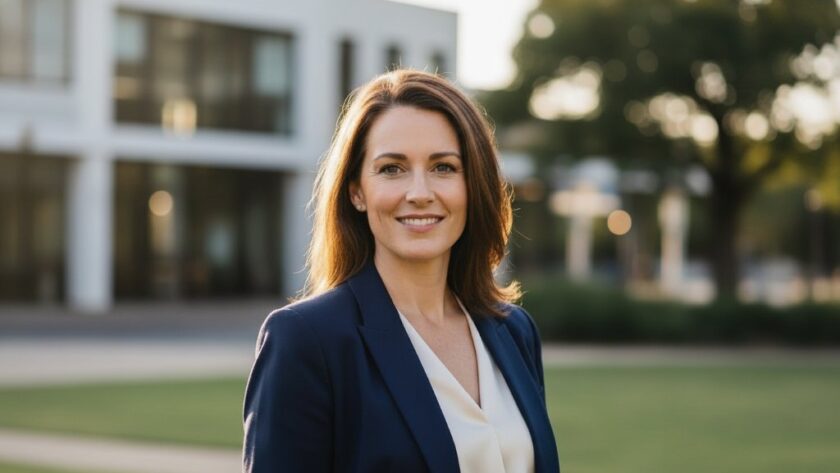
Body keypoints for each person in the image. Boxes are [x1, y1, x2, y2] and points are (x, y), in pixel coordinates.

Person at [243, 69, 560, 473]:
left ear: (472, 184)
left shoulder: (514, 331)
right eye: (392, 169)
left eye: (444, 167)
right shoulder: (307, 340)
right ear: (357, 190)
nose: (420, 193)